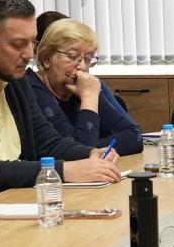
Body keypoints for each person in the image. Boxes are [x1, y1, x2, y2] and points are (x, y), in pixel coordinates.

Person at [0, 0, 122, 190]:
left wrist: (89, 154)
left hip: (22, 196)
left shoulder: (13, 74)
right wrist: (66, 170)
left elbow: (46, 141)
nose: (29, 54)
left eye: (32, 42)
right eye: (18, 44)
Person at [26, 18, 143, 156]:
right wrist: (89, 99)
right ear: (46, 58)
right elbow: (77, 155)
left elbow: (135, 137)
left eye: (88, 59)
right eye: (72, 56)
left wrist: (90, 149)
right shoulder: (30, 88)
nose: (82, 67)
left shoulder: (81, 86)